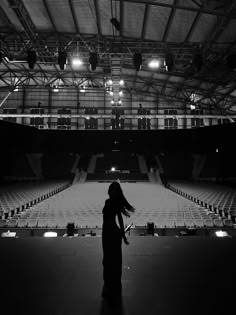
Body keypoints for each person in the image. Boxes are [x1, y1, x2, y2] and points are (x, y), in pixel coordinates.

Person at [102, 181, 135, 301]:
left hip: (108, 233)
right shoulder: (115, 202)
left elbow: (119, 219)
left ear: (111, 191)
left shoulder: (109, 202)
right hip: (113, 233)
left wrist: (123, 236)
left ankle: (108, 286)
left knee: (108, 260)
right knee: (115, 260)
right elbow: (120, 220)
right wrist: (123, 236)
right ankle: (114, 286)